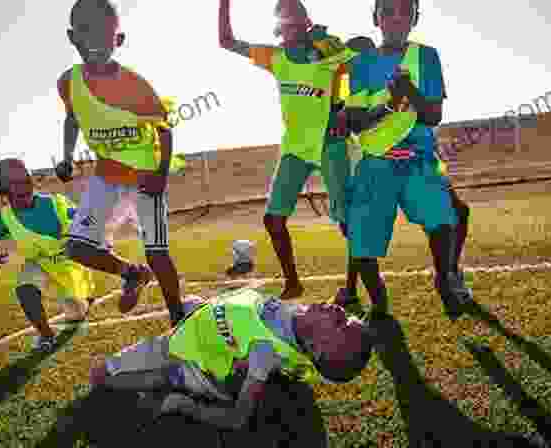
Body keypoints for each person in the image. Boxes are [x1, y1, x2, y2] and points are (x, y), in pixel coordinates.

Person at [339, 0, 473, 321]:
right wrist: (387, 106)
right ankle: (380, 302)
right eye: (387, 11)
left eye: (404, 12)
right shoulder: (361, 64)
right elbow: (354, 121)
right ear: (376, 17)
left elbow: (432, 116)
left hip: (418, 158)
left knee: (445, 221)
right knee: (362, 241)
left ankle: (445, 279)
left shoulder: (426, 56)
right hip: (376, 162)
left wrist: (408, 89)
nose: (396, 19)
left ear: (415, 18)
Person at [55, 0, 186, 324]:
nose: (96, 41)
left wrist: (160, 174)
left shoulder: (135, 85)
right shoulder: (68, 83)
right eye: (86, 32)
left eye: (104, 34)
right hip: (106, 177)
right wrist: (68, 156)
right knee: (77, 249)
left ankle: (178, 319)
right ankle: (131, 273)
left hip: (145, 178)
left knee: (157, 253)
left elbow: (164, 129)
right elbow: (73, 117)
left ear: (119, 39)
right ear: (73, 38)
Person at [218, 0, 357, 300]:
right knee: (273, 219)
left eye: (297, 17)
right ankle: (293, 283)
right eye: (286, 19)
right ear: (279, 26)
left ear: (306, 22)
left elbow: (358, 69)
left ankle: (352, 288)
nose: (291, 23)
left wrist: (345, 111)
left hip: (329, 143)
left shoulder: (325, 49)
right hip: (295, 147)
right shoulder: (276, 56)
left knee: (348, 222)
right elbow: (226, 41)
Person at [88, 287, 374, 430]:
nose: (339, 311)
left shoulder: (267, 353)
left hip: (188, 359)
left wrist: (187, 407)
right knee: (188, 303)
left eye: (341, 325)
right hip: (197, 328)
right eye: (347, 316)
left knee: (99, 376)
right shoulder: (300, 320)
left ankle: (165, 388)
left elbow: (239, 417)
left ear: (319, 349)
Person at [0, 158, 95, 351]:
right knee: (24, 287)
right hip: (40, 265)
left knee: (77, 313)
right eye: (15, 183)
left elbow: (86, 218)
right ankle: (46, 336)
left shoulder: (54, 203)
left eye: (26, 180)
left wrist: (89, 222)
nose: (24, 187)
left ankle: (83, 298)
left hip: (70, 266)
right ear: (3, 189)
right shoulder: (5, 218)